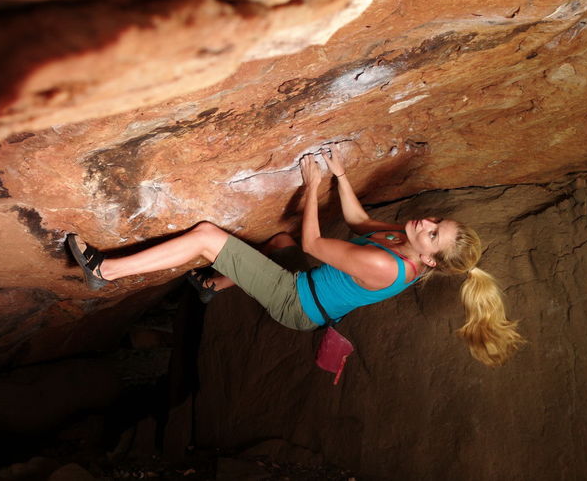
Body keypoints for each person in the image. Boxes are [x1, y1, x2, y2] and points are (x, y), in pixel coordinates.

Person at [67, 147, 523, 367]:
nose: (425, 223)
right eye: (435, 222)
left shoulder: (389, 267)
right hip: (307, 280)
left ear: (432, 262)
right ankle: (210, 287)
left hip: (296, 303)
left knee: (208, 237)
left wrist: (313, 187)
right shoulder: (400, 239)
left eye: (433, 235)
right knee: (279, 245)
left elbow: (314, 245)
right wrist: (341, 176)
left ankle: (104, 271)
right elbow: (362, 223)